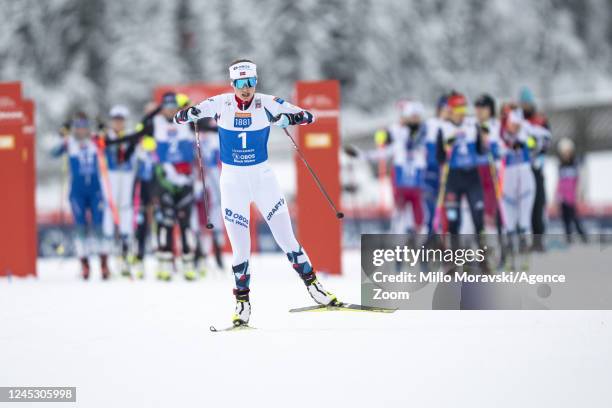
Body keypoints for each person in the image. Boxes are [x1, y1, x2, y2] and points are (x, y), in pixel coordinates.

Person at [174, 58, 337, 326]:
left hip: (263, 179)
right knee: (240, 250)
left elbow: (309, 116)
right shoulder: (221, 103)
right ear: (232, 83)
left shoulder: (266, 101)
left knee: (287, 239)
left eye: (250, 82)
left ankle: (315, 289)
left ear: (255, 81)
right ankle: (242, 305)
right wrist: (187, 114)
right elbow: (181, 116)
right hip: (233, 182)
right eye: (240, 83)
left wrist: (288, 117)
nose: (246, 88)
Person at [345, 100, 427, 234]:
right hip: (401, 183)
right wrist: (359, 155)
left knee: (419, 217)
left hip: (417, 184)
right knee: (400, 215)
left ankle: (420, 244)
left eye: (416, 117)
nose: (413, 121)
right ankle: (399, 243)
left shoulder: (425, 133)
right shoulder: (399, 137)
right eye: (410, 117)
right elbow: (382, 150)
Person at [52, 112, 110, 279]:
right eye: (78, 127)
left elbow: (109, 141)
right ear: (74, 129)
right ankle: (84, 265)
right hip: (77, 191)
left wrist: (102, 127)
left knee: (99, 227)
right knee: (80, 227)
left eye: (84, 127)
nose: (81, 131)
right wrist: (61, 134)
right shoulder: (69, 142)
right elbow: (54, 152)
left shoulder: (95, 140)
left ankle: (103, 264)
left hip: (95, 190)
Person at [435, 92, 486, 244]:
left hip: (472, 177)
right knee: (453, 221)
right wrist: (447, 148)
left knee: (478, 219)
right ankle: (455, 259)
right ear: (450, 110)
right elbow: (440, 158)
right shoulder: (443, 128)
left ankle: (484, 258)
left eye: (463, 110)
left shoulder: (472, 125)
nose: (461, 114)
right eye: (457, 110)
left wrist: (484, 140)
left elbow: (481, 151)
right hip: (453, 178)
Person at [101, 105, 136, 277]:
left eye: (121, 120)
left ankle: (125, 247)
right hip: (111, 174)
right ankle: (107, 253)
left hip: (127, 173)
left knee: (125, 208)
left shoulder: (130, 135)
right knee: (110, 207)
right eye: (115, 119)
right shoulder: (106, 136)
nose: (118, 123)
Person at [499, 106, 536, 256]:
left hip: (524, 175)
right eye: (513, 123)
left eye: (518, 124)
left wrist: (525, 141)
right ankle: (508, 244)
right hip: (507, 178)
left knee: (524, 216)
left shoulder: (525, 131)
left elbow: (535, 143)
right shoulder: (499, 132)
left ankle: (525, 241)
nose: (515, 127)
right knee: (508, 218)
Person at [519, 87, 551, 251]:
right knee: (524, 205)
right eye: (522, 103)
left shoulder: (540, 120)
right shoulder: (518, 121)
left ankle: (538, 240)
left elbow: (545, 141)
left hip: (536, 167)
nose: (525, 106)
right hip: (521, 167)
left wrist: (535, 150)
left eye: (527, 103)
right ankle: (523, 240)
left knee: (538, 202)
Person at [473, 94, 502, 232]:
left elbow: (500, 149)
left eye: (483, 107)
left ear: (490, 109)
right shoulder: (471, 125)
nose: (479, 110)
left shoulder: (497, 126)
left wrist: (489, 144)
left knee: (491, 207)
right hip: (474, 170)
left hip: (491, 169)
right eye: (477, 107)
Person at [423, 94, 450, 235]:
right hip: (431, 172)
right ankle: (428, 245)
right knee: (432, 211)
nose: (448, 112)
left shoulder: (454, 126)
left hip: (449, 173)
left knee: (450, 214)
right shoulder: (430, 124)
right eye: (445, 108)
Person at [556, 138, 587, 243]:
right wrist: (557, 195)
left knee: (574, 217)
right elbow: (559, 182)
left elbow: (579, 180)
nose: (566, 155)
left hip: (572, 196)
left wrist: (580, 193)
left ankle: (582, 235)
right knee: (565, 218)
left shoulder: (575, 165)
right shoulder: (560, 166)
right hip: (563, 197)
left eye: (567, 152)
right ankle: (568, 237)